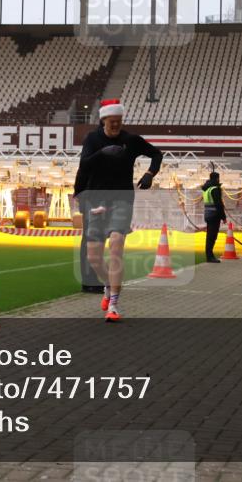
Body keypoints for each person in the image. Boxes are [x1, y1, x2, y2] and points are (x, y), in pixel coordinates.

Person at [73, 99, 162, 322]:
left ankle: (113, 304)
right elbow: (84, 166)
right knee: (94, 256)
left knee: (115, 247)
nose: (116, 126)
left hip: (122, 199)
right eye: (112, 122)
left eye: (119, 121)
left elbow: (156, 154)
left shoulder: (130, 140)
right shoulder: (93, 139)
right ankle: (107, 285)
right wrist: (102, 153)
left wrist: (150, 174)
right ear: (104, 120)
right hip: (96, 200)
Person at [200, 171, 227, 263]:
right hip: (215, 215)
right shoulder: (215, 189)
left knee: (209, 236)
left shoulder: (206, 188)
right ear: (217, 178)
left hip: (207, 214)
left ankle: (209, 255)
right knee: (212, 237)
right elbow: (218, 204)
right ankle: (210, 256)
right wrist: (223, 217)